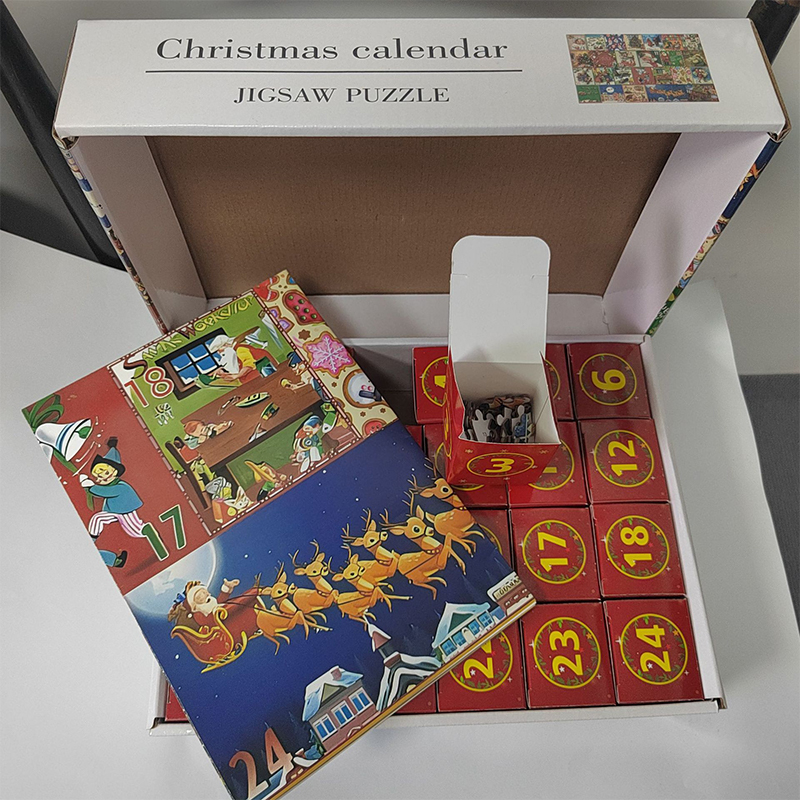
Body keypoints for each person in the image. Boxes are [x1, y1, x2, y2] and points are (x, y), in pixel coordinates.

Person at [79, 438, 147, 540]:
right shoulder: (110, 485)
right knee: (97, 518)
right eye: (97, 477)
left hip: (125, 511)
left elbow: (105, 492)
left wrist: (91, 487)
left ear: (114, 472)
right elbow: (101, 493)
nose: (100, 478)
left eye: (105, 473)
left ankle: (147, 532)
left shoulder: (121, 487)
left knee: (135, 529)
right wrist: (89, 487)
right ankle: (92, 539)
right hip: (113, 511)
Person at [208, 334, 277, 381]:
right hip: (264, 368)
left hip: (264, 370)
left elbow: (249, 365)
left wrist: (236, 376)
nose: (219, 353)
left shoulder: (239, 349)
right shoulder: (237, 350)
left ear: (226, 345)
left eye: (220, 350)